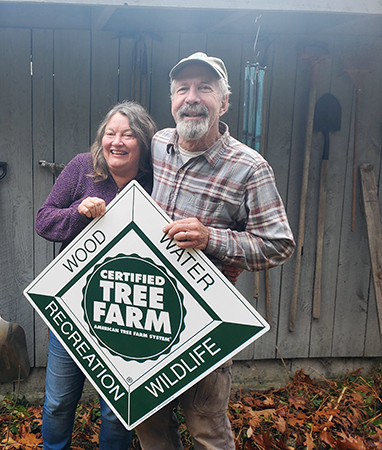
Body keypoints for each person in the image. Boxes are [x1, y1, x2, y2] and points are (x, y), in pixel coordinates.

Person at [134, 52, 295, 450]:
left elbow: (279, 243)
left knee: (206, 425)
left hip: (204, 322)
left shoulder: (250, 168)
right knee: (150, 420)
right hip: (149, 308)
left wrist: (214, 239)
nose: (192, 97)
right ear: (171, 100)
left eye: (205, 88)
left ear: (224, 102)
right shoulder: (157, 144)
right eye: (182, 89)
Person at [36, 101, 157, 450]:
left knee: (117, 411)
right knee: (58, 403)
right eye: (110, 133)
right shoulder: (82, 169)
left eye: (128, 135)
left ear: (143, 143)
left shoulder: (155, 181)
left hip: (130, 313)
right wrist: (78, 211)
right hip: (73, 310)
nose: (116, 142)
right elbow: (44, 221)